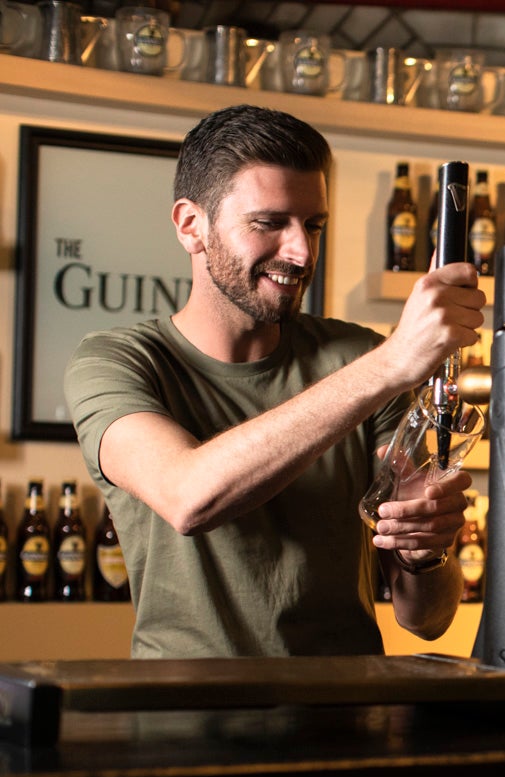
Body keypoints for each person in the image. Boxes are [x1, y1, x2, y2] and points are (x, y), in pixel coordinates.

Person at [65, 105, 483, 657]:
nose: (302, 252)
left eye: (313, 226)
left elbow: (425, 618)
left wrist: (424, 551)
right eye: (269, 223)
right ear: (192, 226)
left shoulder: (357, 356)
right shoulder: (118, 362)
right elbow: (189, 497)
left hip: (342, 722)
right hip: (186, 725)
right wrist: (392, 363)